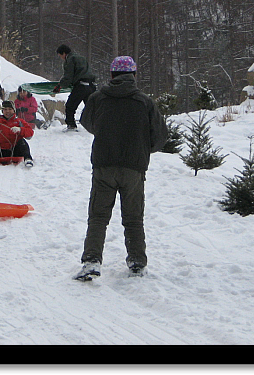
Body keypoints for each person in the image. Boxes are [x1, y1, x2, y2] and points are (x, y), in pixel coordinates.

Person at [74, 56, 168, 281]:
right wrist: (143, 149)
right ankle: (137, 262)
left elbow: (87, 123)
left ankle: (91, 262)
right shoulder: (145, 101)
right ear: (133, 75)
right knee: (134, 218)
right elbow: (161, 136)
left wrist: (106, 132)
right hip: (134, 168)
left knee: (98, 216)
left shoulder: (98, 98)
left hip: (104, 165)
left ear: (112, 75)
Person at [52, 44, 96, 131]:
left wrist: (60, 86)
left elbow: (68, 76)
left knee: (70, 106)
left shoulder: (70, 59)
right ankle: (95, 124)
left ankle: (71, 125)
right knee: (91, 107)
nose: (61, 58)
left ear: (64, 53)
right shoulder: (81, 58)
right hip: (91, 86)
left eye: (60, 55)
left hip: (81, 86)